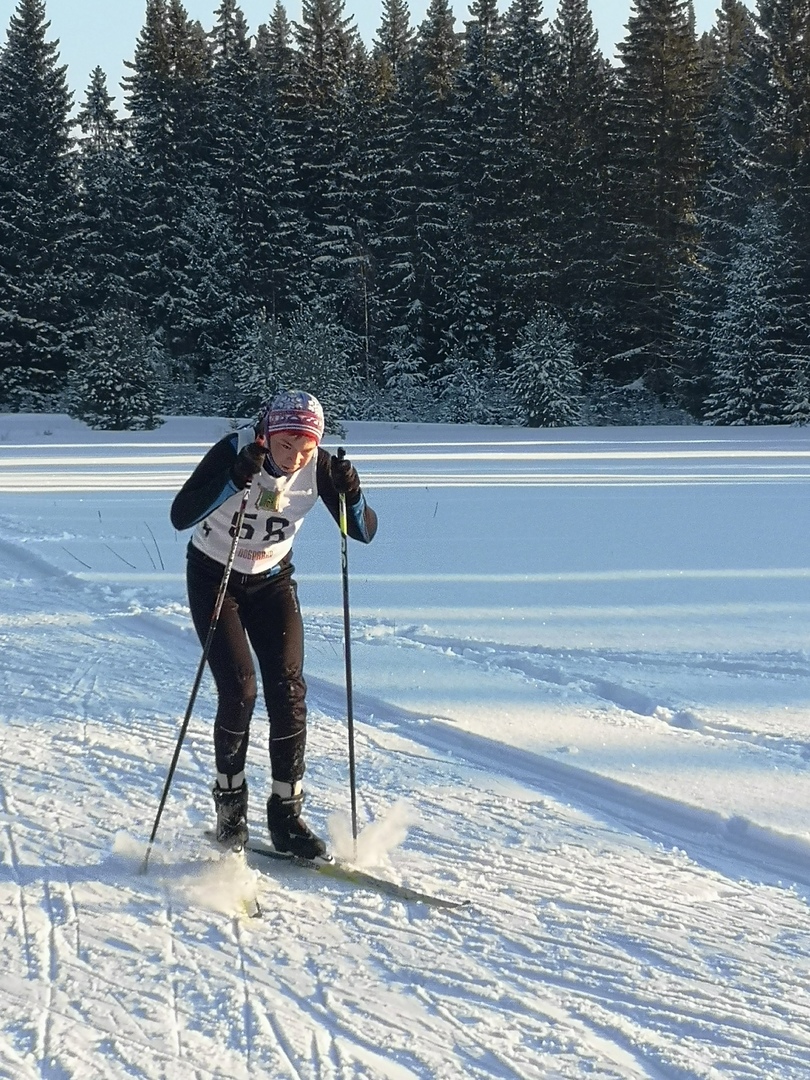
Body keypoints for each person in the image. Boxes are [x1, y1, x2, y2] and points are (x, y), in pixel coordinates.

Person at [170, 390, 378, 860]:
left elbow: (362, 531)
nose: (295, 457)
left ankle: (286, 813)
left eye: (306, 448)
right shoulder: (235, 450)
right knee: (240, 689)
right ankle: (230, 809)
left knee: (288, 689)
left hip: (271, 580)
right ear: (268, 432)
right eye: (286, 445)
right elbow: (180, 515)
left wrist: (352, 492)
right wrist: (231, 478)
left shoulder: (319, 466)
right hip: (214, 575)